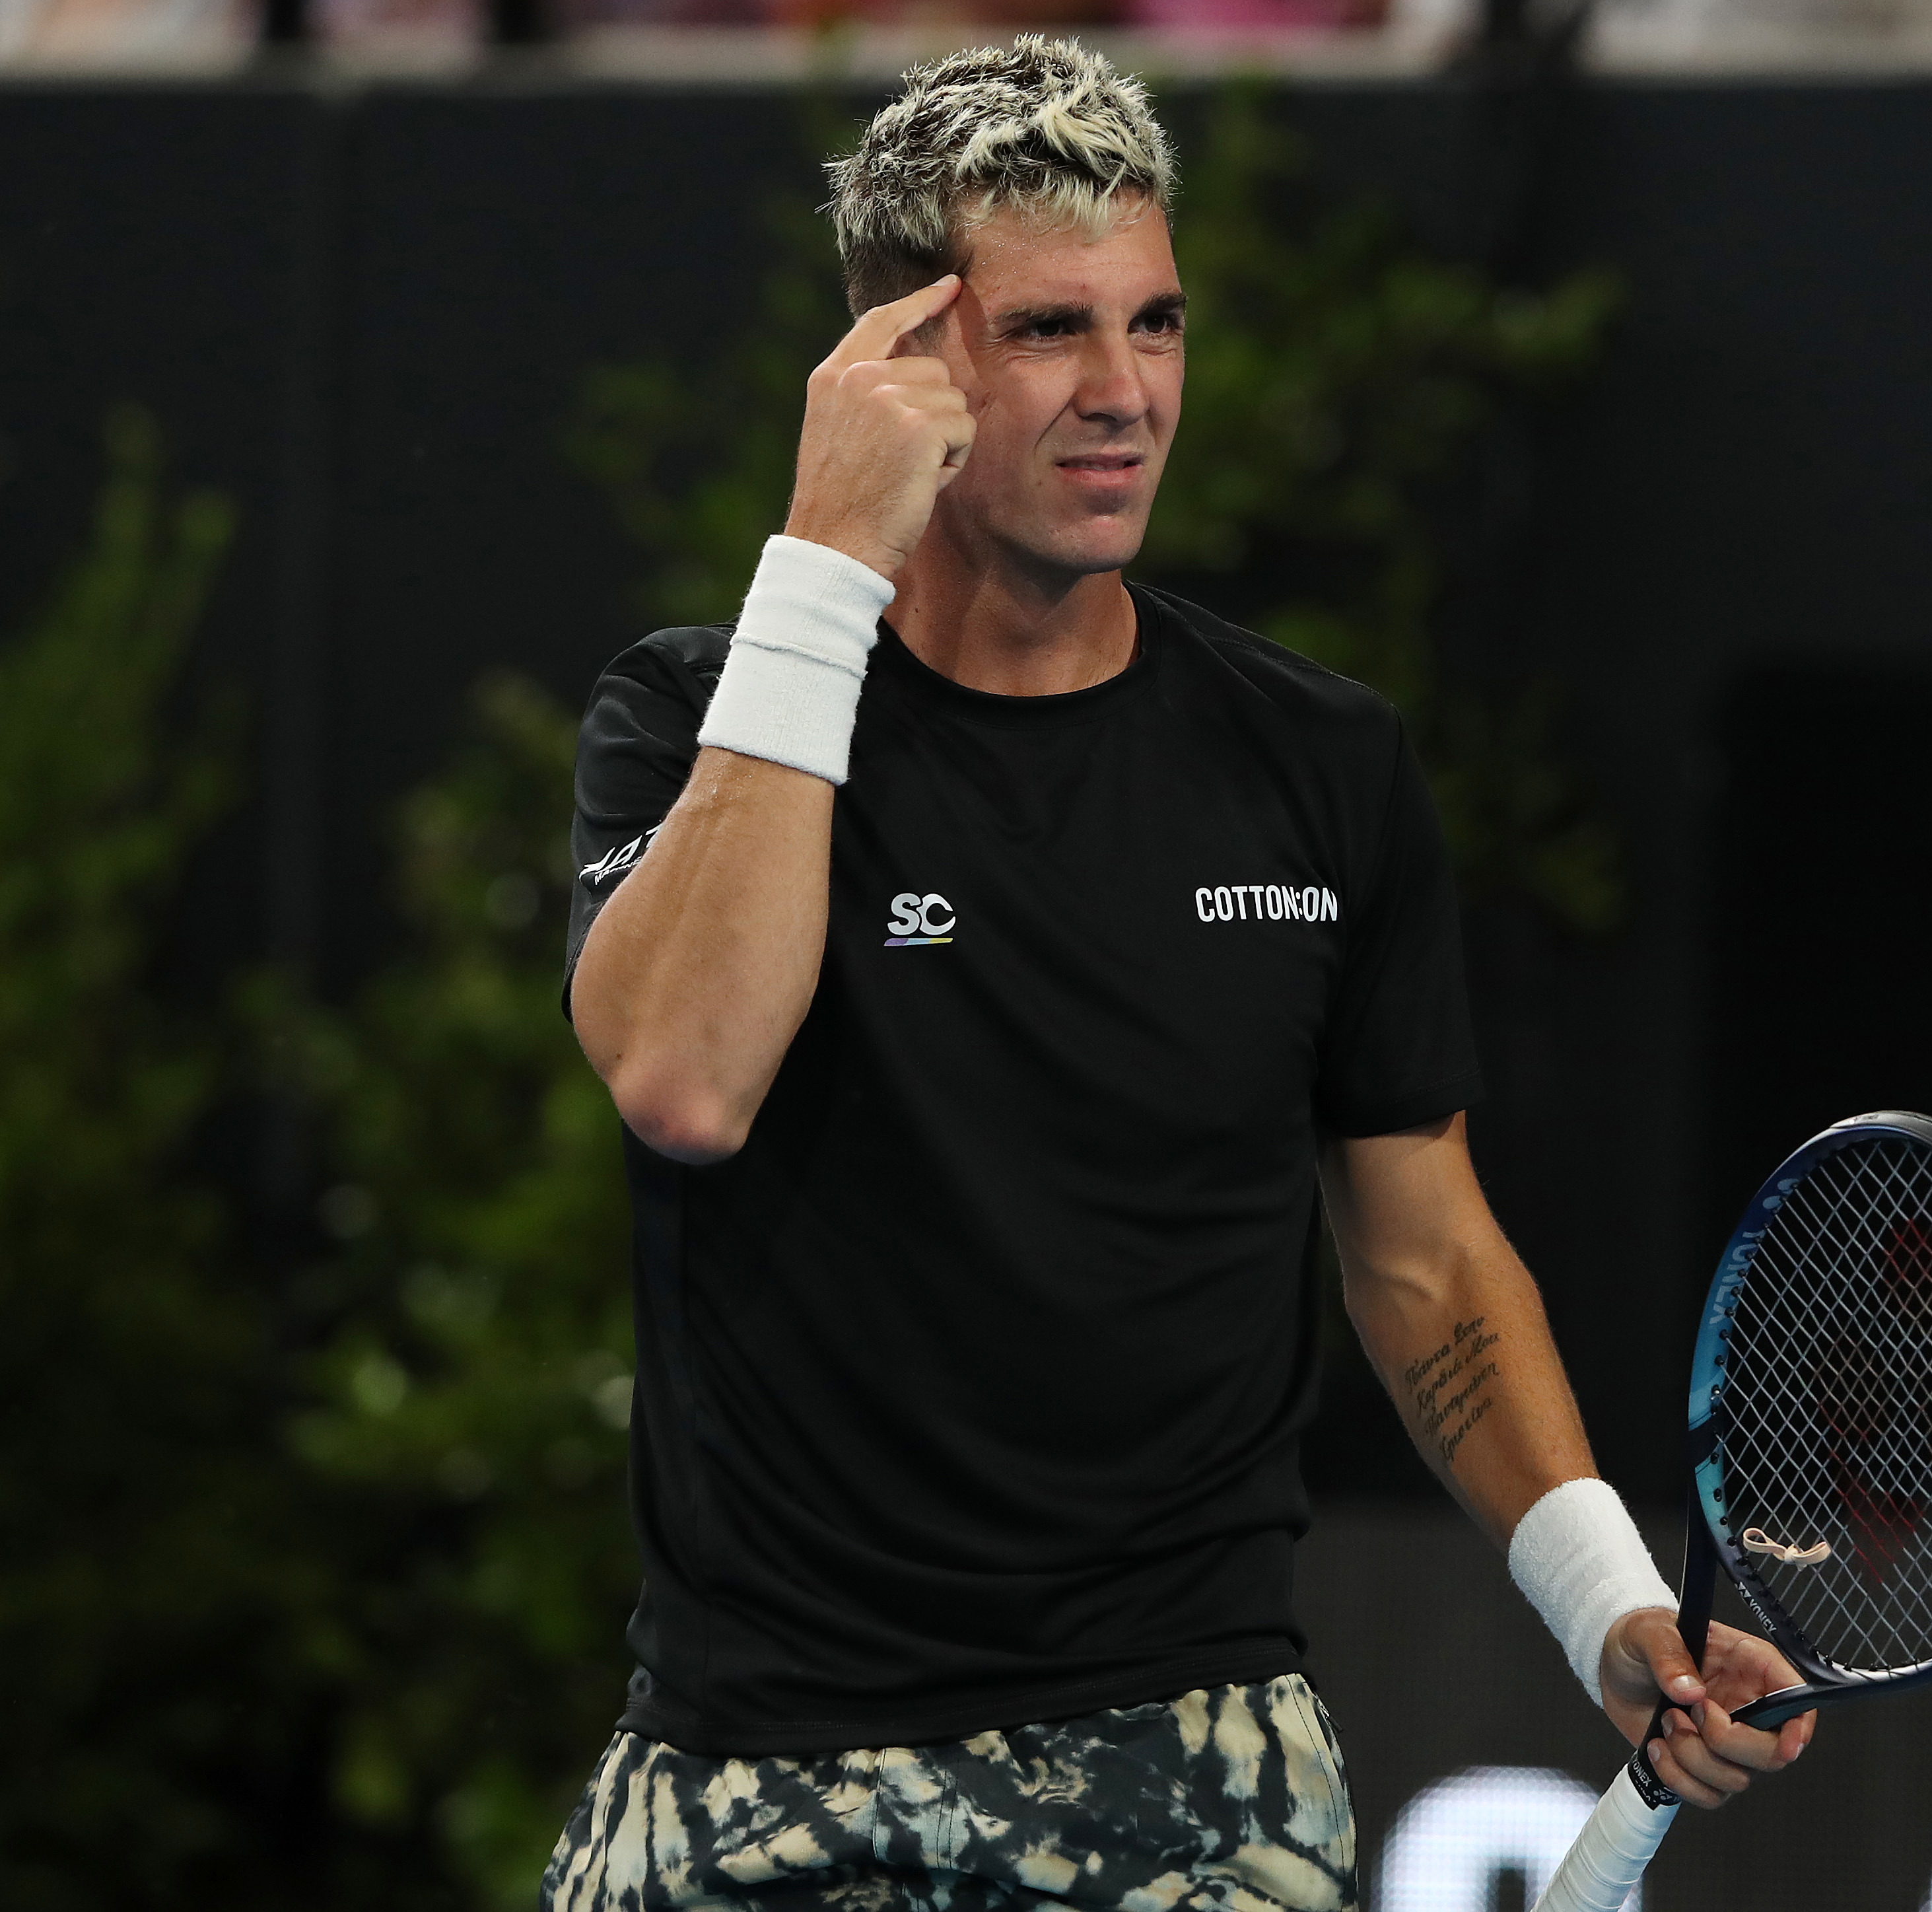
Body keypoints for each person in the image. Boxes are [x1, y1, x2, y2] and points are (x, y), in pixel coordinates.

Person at [545, 36, 1811, 1911]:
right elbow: (683, 1079)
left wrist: (1609, 1604)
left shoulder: (1322, 765)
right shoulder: (695, 722)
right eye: (1051, 330)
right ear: (900, 367)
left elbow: (1422, 1254)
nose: (1127, 393)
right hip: (752, 1767)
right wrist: (824, 554)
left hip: (1189, 1767)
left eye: (1158, 325)